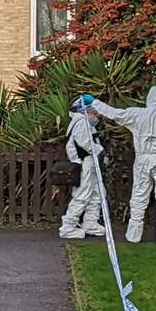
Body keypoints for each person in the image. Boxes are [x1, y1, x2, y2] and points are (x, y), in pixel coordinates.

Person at [91, 86, 156, 244]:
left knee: (139, 194)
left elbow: (114, 113)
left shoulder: (137, 114)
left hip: (142, 159)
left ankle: (133, 234)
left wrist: (95, 103)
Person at [59, 95, 106, 240]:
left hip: (90, 163)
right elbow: (85, 143)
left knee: (98, 194)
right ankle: (68, 227)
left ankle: (90, 223)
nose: (97, 117)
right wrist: (99, 150)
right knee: (82, 195)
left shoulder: (85, 123)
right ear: (87, 112)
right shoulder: (80, 123)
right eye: (95, 114)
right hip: (84, 163)